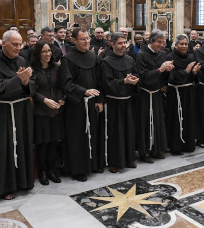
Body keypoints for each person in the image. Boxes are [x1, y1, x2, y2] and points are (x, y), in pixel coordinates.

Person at [0, 30, 35, 199]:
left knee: (22, 145)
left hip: (21, 110)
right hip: (2, 112)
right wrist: (19, 80)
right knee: (3, 149)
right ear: (3, 43)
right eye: (14, 44)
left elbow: (31, 84)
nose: (18, 48)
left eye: (20, 44)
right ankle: (6, 187)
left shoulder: (21, 59)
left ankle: (24, 181)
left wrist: (26, 82)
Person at [59, 28, 104, 181]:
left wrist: (99, 100)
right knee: (77, 137)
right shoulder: (68, 59)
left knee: (93, 134)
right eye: (83, 39)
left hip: (91, 104)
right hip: (76, 106)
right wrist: (84, 91)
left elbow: (99, 81)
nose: (86, 42)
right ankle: (78, 170)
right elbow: (66, 83)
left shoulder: (93, 57)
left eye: (87, 38)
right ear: (75, 40)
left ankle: (93, 164)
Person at [100, 32, 139, 173]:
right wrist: (124, 81)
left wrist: (134, 79)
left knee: (128, 131)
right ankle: (114, 161)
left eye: (124, 43)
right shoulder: (106, 62)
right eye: (120, 43)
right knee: (115, 133)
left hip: (128, 101)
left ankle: (129, 159)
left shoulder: (130, 59)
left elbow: (136, 74)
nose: (123, 46)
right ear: (112, 44)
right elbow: (106, 83)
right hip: (113, 103)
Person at [134, 29, 173, 162]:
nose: (162, 45)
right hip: (144, 94)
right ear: (151, 41)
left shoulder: (163, 54)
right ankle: (144, 153)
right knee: (145, 123)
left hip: (156, 93)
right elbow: (142, 76)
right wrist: (160, 70)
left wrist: (168, 70)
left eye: (163, 42)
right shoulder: (141, 55)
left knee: (157, 122)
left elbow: (165, 76)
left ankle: (156, 149)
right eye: (159, 42)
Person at [31, 41, 64, 184]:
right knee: (43, 143)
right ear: (38, 53)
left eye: (49, 51)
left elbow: (61, 86)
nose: (48, 54)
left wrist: (61, 99)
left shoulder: (57, 67)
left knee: (54, 142)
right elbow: (32, 91)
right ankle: (43, 172)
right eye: (44, 51)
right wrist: (45, 100)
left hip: (55, 110)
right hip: (41, 111)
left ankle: (52, 170)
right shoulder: (32, 69)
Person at [165, 34, 200, 155]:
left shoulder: (190, 57)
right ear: (176, 45)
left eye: (186, 44)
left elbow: (193, 77)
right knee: (175, 119)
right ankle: (175, 146)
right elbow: (171, 77)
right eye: (181, 44)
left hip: (188, 92)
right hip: (175, 93)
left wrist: (194, 73)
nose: (184, 46)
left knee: (188, 118)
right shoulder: (170, 57)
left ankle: (188, 144)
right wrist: (186, 71)